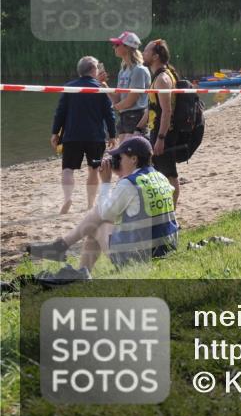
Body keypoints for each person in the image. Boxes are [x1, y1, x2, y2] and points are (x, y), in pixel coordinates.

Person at [27, 136, 178, 284]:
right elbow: (136, 207)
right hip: (167, 247)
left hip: (141, 256)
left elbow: (105, 212)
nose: (118, 161)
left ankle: (68, 254)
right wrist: (122, 176)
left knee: (95, 225)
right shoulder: (160, 177)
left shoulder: (129, 184)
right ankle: (74, 263)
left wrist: (105, 183)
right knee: (99, 221)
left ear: (134, 159)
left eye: (121, 157)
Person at [50, 56, 116, 215]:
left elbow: (60, 112)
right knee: (93, 169)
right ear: (94, 70)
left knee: (67, 169)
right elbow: (109, 114)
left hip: (72, 136)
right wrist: (113, 135)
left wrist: (55, 132)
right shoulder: (100, 89)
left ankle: (67, 199)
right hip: (95, 138)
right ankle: (89, 204)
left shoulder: (69, 87)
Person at [141, 39, 182, 206]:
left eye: (146, 51)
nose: (143, 54)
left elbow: (166, 111)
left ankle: (171, 213)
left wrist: (161, 138)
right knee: (159, 173)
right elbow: (152, 107)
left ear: (156, 56)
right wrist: (139, 127)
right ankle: (164, 210)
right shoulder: (157, 77)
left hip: (164, 133)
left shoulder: (162, 79)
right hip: (156, 130)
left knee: (169, 175)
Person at [109, 31, 151, 141]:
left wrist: (114, 108)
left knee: (130, 154)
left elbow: (131, 101)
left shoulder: (139, 70)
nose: (114, 47)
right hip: (124, 116)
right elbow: (118, 98)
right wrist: (103, 84)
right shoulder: (123, 71)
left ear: (127, 47)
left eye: (117, 44)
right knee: (123, 154)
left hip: (136, 116)